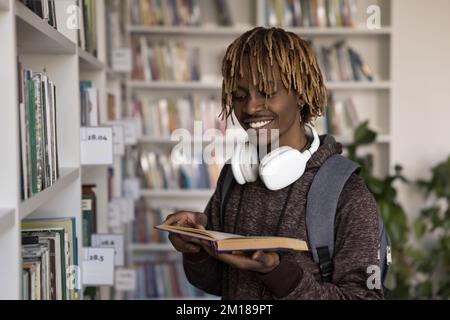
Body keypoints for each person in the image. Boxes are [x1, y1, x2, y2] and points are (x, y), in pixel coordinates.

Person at [163, 27, 384, 300]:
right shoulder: (235, 176)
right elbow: (219, 282)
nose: (251, 108)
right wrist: (195, 247)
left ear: (301, 93)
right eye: (240, 96)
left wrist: (279, 274)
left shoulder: (345, 193)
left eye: (267, 92)